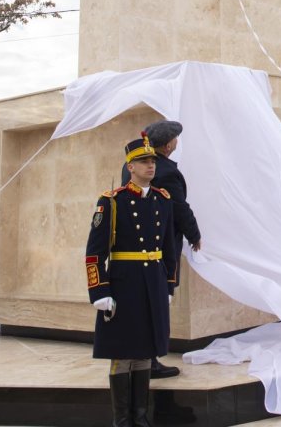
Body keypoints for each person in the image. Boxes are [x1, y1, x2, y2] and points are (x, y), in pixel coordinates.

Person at [88, 136, 177, 427]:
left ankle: (140, 418)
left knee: (144, 352)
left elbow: (168, 249)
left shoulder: (163, 200)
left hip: (152, 283)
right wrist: (99, 290)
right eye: (144, 161)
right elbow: (94, 253)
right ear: (131, 166)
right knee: (123, 353)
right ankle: (122, 420)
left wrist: (168, 285)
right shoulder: (112, 201)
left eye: (153, 161)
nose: (150, 165)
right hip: (124, 284)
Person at [119, 120, 201, 379]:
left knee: (145, 303)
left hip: (139, 246)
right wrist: (194, 234)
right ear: (168, 145)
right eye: (175, 139)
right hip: (158, 247)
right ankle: (150, 360)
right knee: (156, 303)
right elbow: (179, 207)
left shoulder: (132, 165)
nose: (177, 142)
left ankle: (142, 357)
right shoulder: (165, 171)